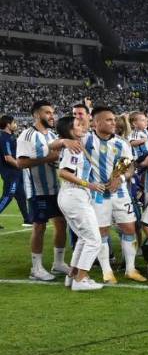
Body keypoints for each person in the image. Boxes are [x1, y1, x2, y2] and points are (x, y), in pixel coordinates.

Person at [84, 106, 147, 283]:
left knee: (129, 228)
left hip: (120, 194)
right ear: (96, 122)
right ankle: (107, 271)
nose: (113, 123)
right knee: (101, 231)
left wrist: (121, 178)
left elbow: (130, 167)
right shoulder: (86, 140)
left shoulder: (121, 143)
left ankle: (130, 269)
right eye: (109, 120)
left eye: (113, 119)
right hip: (98, 195)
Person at [17, 100, 77, 281]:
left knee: (61, 224)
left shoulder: (52, 135)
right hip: (37, 190)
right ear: (36, 114)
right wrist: (47, 158)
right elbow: (21, 163)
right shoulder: (27, 135)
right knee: (39, 226)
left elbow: (57, 159)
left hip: (55, 189)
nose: (52, 116)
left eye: (52, 112)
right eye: (47, 113)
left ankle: (58, 263)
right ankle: (36, 268)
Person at [54, 115, 104, 291]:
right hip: (74, 195)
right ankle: (80, 280)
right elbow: (64, 172)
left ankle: (73, 276)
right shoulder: (72, 149)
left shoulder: (74, 145)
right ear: (70, 130)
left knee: (84, 238)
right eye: (78, 124)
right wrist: (88, 184)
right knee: (94, 240)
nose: (82, 126)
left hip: (71, 195)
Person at [0, 114, 31, 228]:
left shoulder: (11, 136)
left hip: (16, 171)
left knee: (21, 195)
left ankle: (27, 219)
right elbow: (8, 157)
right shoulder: (4, 138)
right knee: (8, 196)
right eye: (14, 123)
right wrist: (20, 165)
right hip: (10, 172)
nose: (15, 125)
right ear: (8, 125)